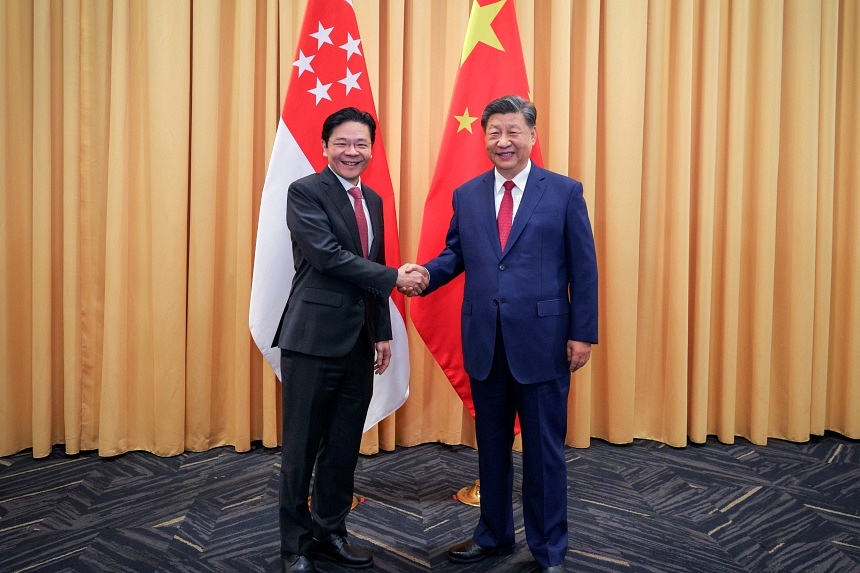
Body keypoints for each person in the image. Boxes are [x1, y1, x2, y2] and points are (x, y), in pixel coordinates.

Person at [410, 95, 598, 573]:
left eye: (513, 131)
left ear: (532, 137)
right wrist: (425, 275)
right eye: (494, 132)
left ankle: (549, 549)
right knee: (491, 451)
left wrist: (583, 333)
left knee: (543, 456)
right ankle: (493, 535)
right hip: (485, 344)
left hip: (544, 344)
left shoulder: (564, 192)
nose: (503, 141)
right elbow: (456, 255)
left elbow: (584, 268)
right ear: (485, 138)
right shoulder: (468, 194)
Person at [272, 107, 428, 573]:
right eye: (342, 143)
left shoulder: (374, 200)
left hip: (359, 342)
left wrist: (381, 333)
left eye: (361, 144)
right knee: (300, 450)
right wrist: (394, 277)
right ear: (325, 147)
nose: (352, 152)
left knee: (341, 448)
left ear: (371, 150)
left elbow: (370, 273)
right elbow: (327, 257)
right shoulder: (304, 192)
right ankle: (295, 548)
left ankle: (330, 534)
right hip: (312, 339)